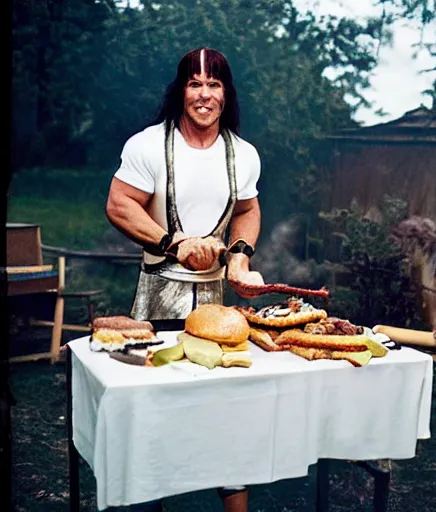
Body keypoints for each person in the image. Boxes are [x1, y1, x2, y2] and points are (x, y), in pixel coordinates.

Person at [105, 47, 264, 512]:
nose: (204, 94)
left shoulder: (244, 154)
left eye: (213, 84)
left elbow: (248, 210)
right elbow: (119, 205)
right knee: (154, 413)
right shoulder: (148, 145)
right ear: (181, 91)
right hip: (158, 298)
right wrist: (173, 243)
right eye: (195, 84)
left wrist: (238, 257)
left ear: (225, 93)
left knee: (227, 412)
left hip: (217, 307)